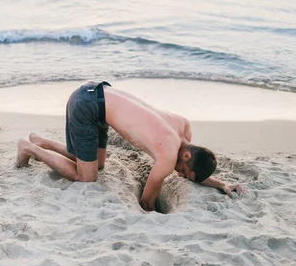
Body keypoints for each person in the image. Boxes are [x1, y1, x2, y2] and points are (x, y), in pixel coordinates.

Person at [16, 81, 244, 211]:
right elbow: (146, 202)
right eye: (184, 172)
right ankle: (29, 148)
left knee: (99, 165)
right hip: (87, 106)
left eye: (185, 176)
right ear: (185, 156)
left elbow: (194, 170)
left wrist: (221, 183)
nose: (180, 175)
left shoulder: (183, 127)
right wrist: (152, 214)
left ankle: (41, 141)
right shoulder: (167, 156)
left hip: (98, 96)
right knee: (87, 177)